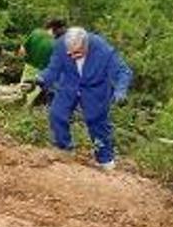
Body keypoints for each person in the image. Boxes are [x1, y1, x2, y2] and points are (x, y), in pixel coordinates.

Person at [32, 27, 132, 170]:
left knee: (96, 122)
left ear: (86, 45)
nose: (72, 56)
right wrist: (40, 79)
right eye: (69, 53)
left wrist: (121, 91)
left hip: (95, 88)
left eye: (77, 52)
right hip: (69, 84)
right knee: (57, 114)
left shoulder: (102, 49)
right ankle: (64, 149)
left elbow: (124, 71)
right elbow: (53, 69)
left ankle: (105, 160)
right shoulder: (61, 44)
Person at [18, 18, 66, 106]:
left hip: (28, 67)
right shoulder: (56, 44)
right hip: (41, 74)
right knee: (32, 99)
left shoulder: (36, 32)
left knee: (23, 91)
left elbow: (22, 51)